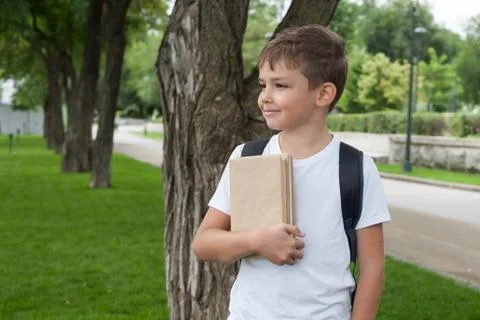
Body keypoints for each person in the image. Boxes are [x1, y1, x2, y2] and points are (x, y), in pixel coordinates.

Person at [192, 24, 391, 320]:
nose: (265, 97)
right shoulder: (249, 156)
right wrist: (257, 241)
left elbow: (372, 269)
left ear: (323, 94)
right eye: (263, 85)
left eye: (280, 85)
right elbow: (204, 243)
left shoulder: (355, 167)